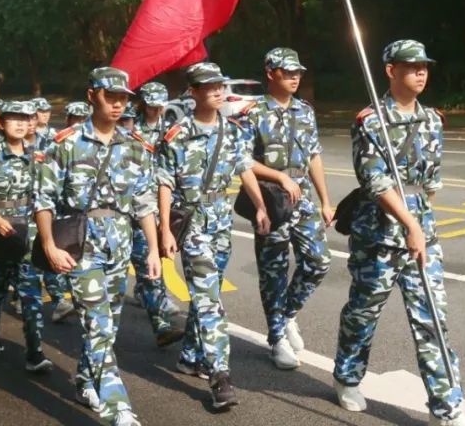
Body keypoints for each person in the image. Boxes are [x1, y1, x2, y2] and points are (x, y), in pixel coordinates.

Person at [332, 40, 465, 426]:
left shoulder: (432, 120)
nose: (420, 72)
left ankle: (446, 406)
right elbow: (375, 182)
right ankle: (347, 377)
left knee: (432, 319)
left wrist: (419, 224)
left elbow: (430, 184)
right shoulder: (370, 122)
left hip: (421, 237)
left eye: (424, 66)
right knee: (363, 312)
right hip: (378, 237)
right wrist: (409, 224)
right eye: (411, 66)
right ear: (391, 71)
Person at [35, 67, 160, 426]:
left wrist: (153, 250)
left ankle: (85, 381)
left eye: (123, 98)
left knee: (108, 325)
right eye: (111, 96)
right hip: (80, 246)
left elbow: (144, 202)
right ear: (92, 96)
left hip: (119, 246)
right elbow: (43, 199)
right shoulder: (66, 143)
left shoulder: (134, 145)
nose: (118, 104)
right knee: (99, 325)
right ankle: (117, 407)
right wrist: (48, 245)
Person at [157, 62, 270, 411]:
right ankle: (219, 375)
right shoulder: (177, 135)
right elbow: (164, 183)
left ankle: (190, 356)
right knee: (209, 300)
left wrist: (260, 206)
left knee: (209, 292)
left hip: (220, 221)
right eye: (209, 86)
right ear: (193, 92)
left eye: (220, 85)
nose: (218, 91)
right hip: (191, 223)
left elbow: (244, 169)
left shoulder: (232, 130)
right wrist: (165, 229)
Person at [239, 48, 332, 370]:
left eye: (298, 72)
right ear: (271, 73)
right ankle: (277, 338)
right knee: (273, 272)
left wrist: (325, 201)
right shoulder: (252, 113)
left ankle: (288, 313)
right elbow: (242, 160)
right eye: (288, 72)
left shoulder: (304, 111)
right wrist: (278, 177)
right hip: (271, 200)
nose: (295, 77)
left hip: (302, 197)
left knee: (319, 261)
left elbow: (314, 155)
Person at [0, 100, 52, 373]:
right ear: (1, 122)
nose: (20, 123)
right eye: (14, 118)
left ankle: (34, 353)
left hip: (27, 231)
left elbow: (45, 195)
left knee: (31, 292)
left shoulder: (37, 156)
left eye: (25, 118)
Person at [130, 82, 184, 346]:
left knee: (156, 255)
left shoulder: (171, 128)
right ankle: (159, 321)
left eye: (160, 105)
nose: (156, 110)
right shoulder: (130, 128)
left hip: (161, 200)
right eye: (152, 105)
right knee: (146, 258)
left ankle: (148, 294)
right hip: (134, 203)